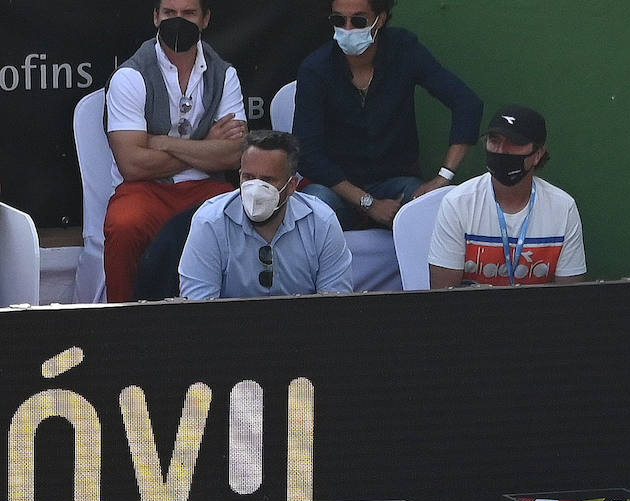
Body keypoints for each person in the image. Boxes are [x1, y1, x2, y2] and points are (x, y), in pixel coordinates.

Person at [294, 0, 483, 232]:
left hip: (396, 184)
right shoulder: (315, 68)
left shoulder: (404, 50)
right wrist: (369, 203)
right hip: (336, 188)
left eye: (359, 20)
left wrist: (443, 177)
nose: (348, 28)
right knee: (314, 208)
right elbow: (307, 154)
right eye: (338, 20)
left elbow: (467, 103)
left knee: (430, 209)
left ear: (380, 19)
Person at [104, 0, 247, 302]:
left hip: (206, 187)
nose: (177, 20)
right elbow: (133, 165)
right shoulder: (131, 75)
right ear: (156, 17)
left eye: (188, 13)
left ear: (205, 19)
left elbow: (235, 155)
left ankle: (221, 328)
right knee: (125, 225)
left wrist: (164, 142)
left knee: (237, 217)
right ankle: (121, 327)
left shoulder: (224, 75)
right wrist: (206, 145)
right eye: (169, 13)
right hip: (144, 189)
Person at [178, 130, 354, 300]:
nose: (255, 189)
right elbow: (198, 310)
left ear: (292, 185)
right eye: (248, 177)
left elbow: (335, 308)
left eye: (267, 180)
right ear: (239, 176)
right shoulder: (209, 222)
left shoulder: (322, 221)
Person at [428, 105, 586, 288]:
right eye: (494, 140)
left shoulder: (563, 208)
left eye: (514, 142)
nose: (501, 150)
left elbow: (570, 301)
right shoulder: (457, 203)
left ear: (537, 155)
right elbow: (443, 299)